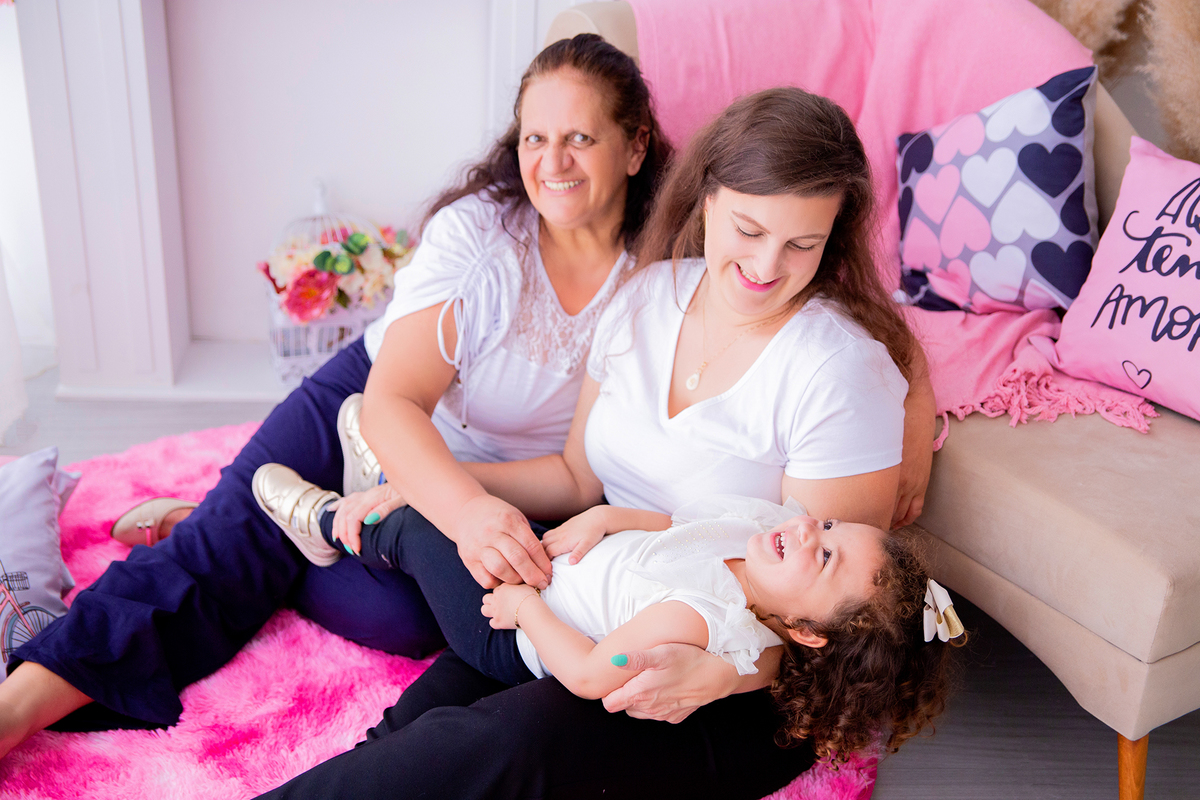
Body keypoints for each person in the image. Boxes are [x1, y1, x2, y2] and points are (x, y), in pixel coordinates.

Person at [253, 86, 941, 800]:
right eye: (748, 229)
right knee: (432, 716)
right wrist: (450, 486)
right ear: (706, 202)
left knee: (507, 740)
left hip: (739, 682)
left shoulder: (840, 371)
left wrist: (728, 673)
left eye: (803, 244)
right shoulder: (648, 298)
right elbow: (578, 477)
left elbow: (832, 626)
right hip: (614, 582)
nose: (767, 266)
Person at [0, 33, 672, 757]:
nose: (553, 162)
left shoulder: (653, 280)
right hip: (367, 407)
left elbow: (577, 477)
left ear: (634, 147)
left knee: (421, 622)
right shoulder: (480, 237)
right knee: (210, 560)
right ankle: (16, 709)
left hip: (484, 470)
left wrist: (428, 494)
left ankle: (287, 520)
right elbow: (392, 404)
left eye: (580, 137)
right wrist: (464, 512)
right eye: (535, 137)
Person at [264, 476, 963, 762]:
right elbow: (675, 525)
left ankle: (329, 519)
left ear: (807, 632)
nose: (812, 531)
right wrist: (606, 516)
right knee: (482, 527)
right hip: (560, 554)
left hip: (511, 634)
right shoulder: (760, 533)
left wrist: (525, 609)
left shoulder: (705, 621)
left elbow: (592, 675)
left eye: (828, 558)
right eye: (833, 526)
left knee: (423, 531)